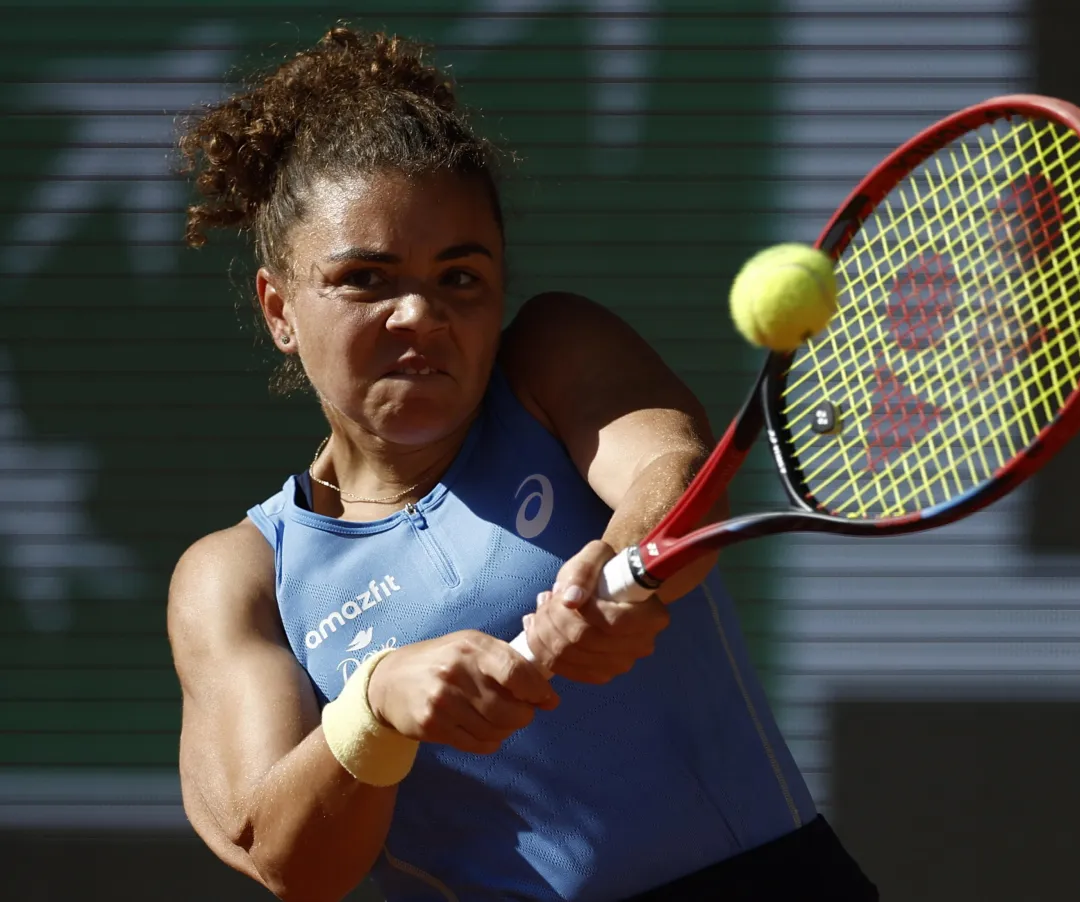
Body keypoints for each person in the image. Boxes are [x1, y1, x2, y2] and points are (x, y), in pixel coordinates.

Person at [168, 26, 877, 902]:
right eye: (367, 279)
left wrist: (623, 570)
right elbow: (293, 864)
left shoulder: (552, 354)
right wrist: (375, 706)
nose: (420, 314)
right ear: (279, 308)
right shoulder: (237, 577)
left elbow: (672, 471)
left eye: (460, 277)